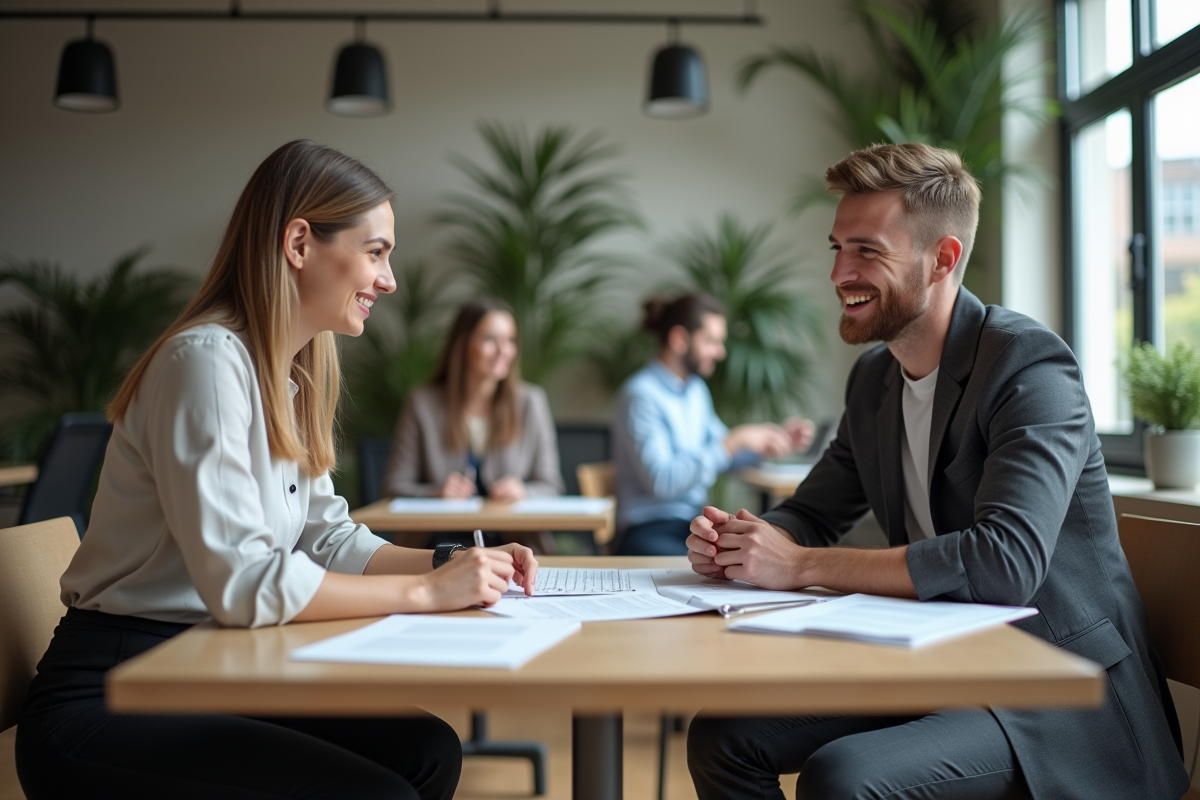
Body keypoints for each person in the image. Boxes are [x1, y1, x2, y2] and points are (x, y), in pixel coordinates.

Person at [15, 140, 538, 800]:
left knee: (427, 751)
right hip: (113, 694)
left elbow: (327, 539)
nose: (389, 279)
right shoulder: (203, 363)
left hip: (206, 666)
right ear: (298, 243)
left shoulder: (291, 374)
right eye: (376, 252)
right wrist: (426, 595)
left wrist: (452, 562)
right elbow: (245, 584)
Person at [684, 143, 1188, 800]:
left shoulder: (1028, 366)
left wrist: (799, 566)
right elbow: (810, 515)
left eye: (867, 250)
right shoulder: (874, 380)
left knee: (844, 779)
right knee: (722, 739)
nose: (840, 272)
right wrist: (740, 543)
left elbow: (1004, 562)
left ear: (942, 259)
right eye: (836, 247)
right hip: (938, 660)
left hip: (1053, 688)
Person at [611, 293, 814, 555]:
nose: (720, 352)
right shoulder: (641, 396)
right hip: (649, 529)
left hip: (690, 525)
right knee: (727, 563)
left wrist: (769, 443)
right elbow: (663, 482)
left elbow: (723, 456)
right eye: (711, 342)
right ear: (679, 339)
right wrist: (734, 441)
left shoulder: (695, 391)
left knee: (757, 554)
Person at [382, 299, 564, 523]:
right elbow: (394, 488)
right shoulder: (422, 404)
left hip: (513, 541)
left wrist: (524, 491)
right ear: (462, 344)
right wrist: (435, 493)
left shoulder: (531, 402)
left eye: (510, 340)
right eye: (489, 339)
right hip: (438, 543)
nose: (503, 351)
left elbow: (552, 486)